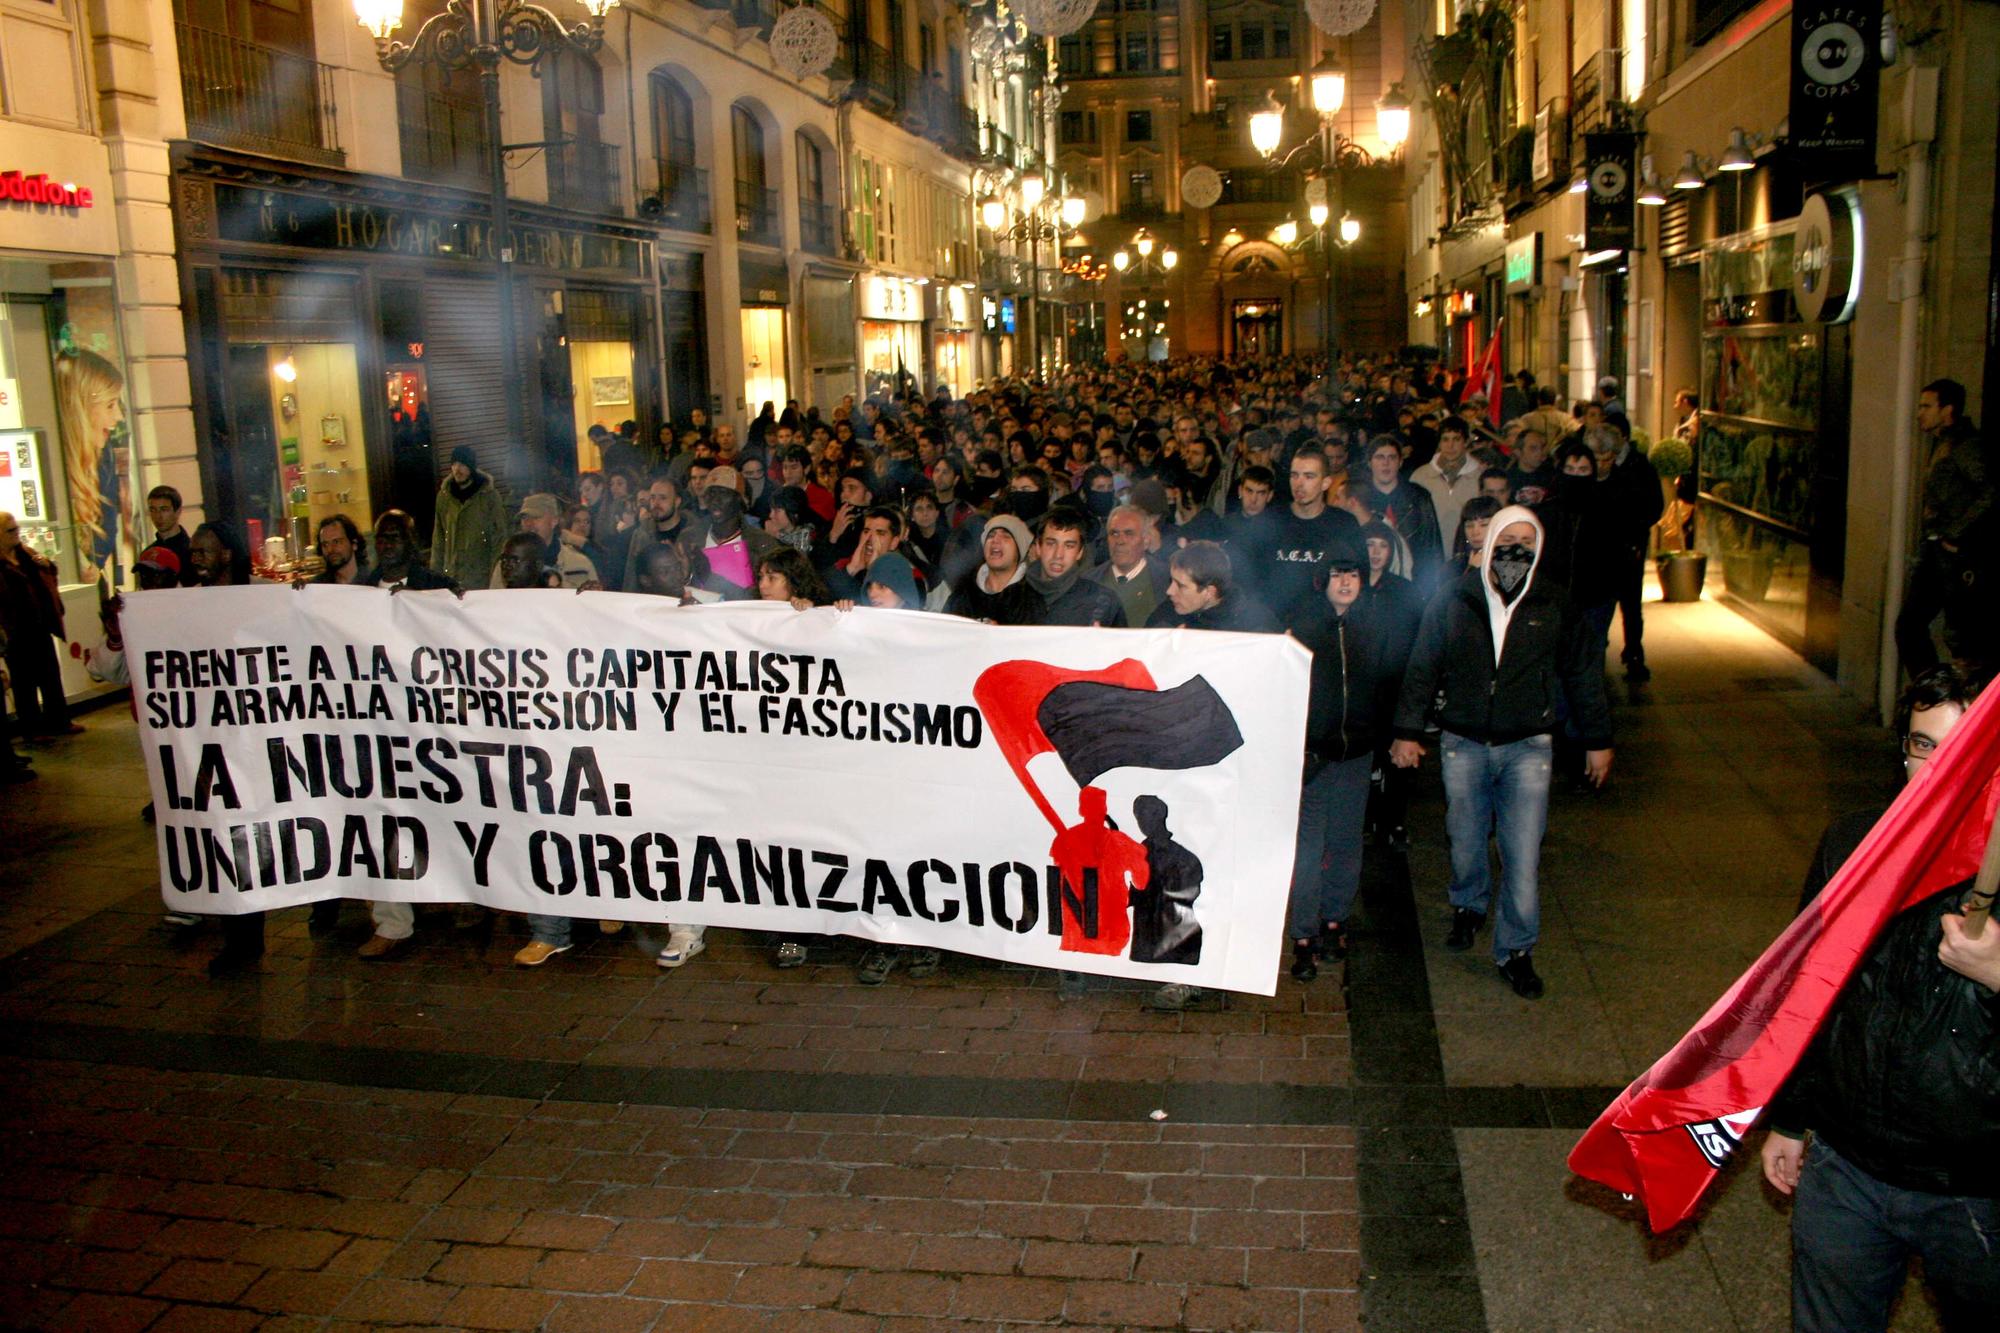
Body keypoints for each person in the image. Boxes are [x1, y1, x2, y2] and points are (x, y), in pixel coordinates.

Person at [1760, 664, 1999, 1333]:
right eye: (1925, 745)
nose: (1940, 767)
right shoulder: (1852, 843)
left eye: (1966, 748)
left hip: (1974, 1188)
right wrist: (1787, 1116)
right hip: (1847, 1168)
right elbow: (1807, 990)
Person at [1390, 506, 1613, 999]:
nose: (1517, 549)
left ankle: (1516, 949)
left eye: (1526, 540)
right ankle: (1468, 903)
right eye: (1507, 537)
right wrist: (1407, 730)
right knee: (1466, 841)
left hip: (1527, 745)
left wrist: (1597, 740)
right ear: (1488, 541)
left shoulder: (1553, 602)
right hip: (1464, 742)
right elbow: (1424, 664)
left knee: (1522, 853)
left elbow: (1582, 672)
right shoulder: (1455, 598)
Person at [1284, 529, 1418, 981]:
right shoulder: (1301, 625)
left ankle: (1334, 919)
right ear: (1322, 579)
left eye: (1354, 574)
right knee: (1307, 847)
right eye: (1337, 573)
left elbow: (1393, 685)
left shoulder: (1375, 625)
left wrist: (1394, 736)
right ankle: (1303, 934)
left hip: (1357, 754)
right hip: (1314, 756)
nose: (1346, 581)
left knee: (1345, 842)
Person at [1894, 378, 1991, 677]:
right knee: (1910, 625)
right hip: (1938, 550)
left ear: (1947, 410)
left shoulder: (1965, 447)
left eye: (1926, 406)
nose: (1919, 413)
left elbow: (1990, 492)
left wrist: (1957, 533)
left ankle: (1943, 700)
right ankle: (1933, 693)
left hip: (1955, 555)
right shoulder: (1943, 443)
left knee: (1961, 639)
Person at [0, 511, 79, 738]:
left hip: (39, 625)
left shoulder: (26, 554)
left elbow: (49, 573)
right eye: (10, 530)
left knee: (50, 675)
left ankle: (59, 721)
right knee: (24, 682)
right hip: (15, 631)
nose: (17, 534)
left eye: (17, 529)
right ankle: (32, 728)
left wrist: (47, 565)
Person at [1144, 541, 1277, 632]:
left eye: (1181, 586)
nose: (1169, 591)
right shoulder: (1165, 618)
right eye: (1171, 581)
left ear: (1209, 592)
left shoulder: (1255, 624)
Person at [1025, 509, 1126, 627]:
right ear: (1038, 547)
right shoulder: (1008, 601)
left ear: (1080, 552)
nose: (1058, 555)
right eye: (1051, 543)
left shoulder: (1104, 603)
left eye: (1069, 546)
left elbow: (1125, 645)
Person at [430, 446, 508, 590]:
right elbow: (438, 538)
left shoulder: (488, 496)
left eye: (462, 464)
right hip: (450, 577)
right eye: (454, 464)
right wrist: (435, 576)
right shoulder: (444, 497)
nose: (457, 469)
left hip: (480, 578)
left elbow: (499, 538)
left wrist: (495, 577)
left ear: (471, 466)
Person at [943, 514, 1039, 624]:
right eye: (991, 535)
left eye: (1006, 536)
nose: (995, 540)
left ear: (1019, 549)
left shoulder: (1030, 600)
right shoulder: (963, 593)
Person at [1087, 504, 1170, 627]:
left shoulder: (1168, 580)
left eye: (1129, 533)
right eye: (1114, 533)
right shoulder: (1088, 581)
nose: (1120, 541)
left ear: (1146, 541)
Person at [1411, 419, 1482, 562]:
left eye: (1456, 439)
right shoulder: (1420, 476)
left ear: (1466, 441)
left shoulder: (1479, 476)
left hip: (1469, 556)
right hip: (1430, 558)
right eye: (1445, 440)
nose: (1450, 446)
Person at [360, 511, 456, 592]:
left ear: (411, 542)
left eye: (395, 538)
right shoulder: (364, 589)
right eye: (382, 539)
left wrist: (415, 598)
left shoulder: (439, 585)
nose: (388, 545)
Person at [145, 485, 193, 569]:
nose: (158, 516)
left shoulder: (192, 551)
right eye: (153, 510)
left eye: (164, 509)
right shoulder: (148, 553)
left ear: (177, 512)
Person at [313, 514, 367, 584]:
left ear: (354, 544)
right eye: (325, 544)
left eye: (336, 542)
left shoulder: (372, 582)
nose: (330, 549)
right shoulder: (319, 585)